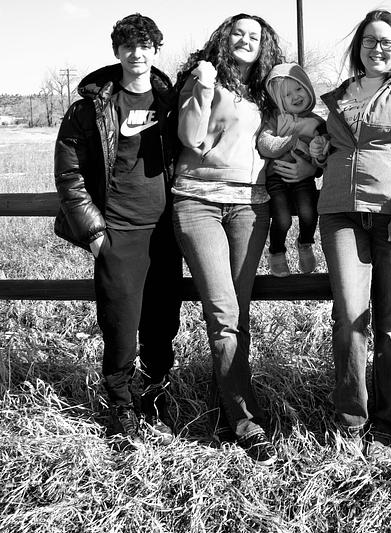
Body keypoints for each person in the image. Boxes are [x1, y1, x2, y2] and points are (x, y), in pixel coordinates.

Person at [172, 13, 312, 464]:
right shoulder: (203, 78)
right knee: (224, 313)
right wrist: (204, 85)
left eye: (255, 35)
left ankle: (227, 406)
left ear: (264, 44)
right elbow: (190, 136)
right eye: (239, 33)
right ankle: (246, 421)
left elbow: (297, 134)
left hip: (251, 206)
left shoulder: (269, 92)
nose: (246, 40)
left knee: (238, 314)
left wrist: (307, 163)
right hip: (198, 202)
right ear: (224, 38)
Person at [311, 9, 391, 453]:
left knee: (390, 325)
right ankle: (350, 420)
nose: (378, 48)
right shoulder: (341, 95)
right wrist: (317, 153)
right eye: (369, 41)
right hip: (340, 215)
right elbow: (332, 151)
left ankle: (388, 419)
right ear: (358, 46)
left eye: (386, 41)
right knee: (350, 317)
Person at [53, 13, 182, 449]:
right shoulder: (90, 107)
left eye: (144, 45)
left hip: (166, 231)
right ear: (117, 51)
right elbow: (69, 174)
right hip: (118, 230)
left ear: (156, 50)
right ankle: (122, 407)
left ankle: (155, 395)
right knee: (120, 326)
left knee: (162, 322)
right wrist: (94, 234)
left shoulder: (173, 101)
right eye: (128, 45)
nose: (136, 53)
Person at [257, 62, 325, 277]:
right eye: (287, 94)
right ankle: (276, 251)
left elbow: (323, 156)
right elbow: (265, 145)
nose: (295, 96)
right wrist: (292, 139)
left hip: (303, 178)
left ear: (308, 88)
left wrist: (318, 153)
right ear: (279, 100)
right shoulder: (274, 118)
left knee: (308, 211)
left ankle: (305, 243)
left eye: (298, 89)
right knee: (283, 218)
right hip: (276, 176)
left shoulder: (316, 122)